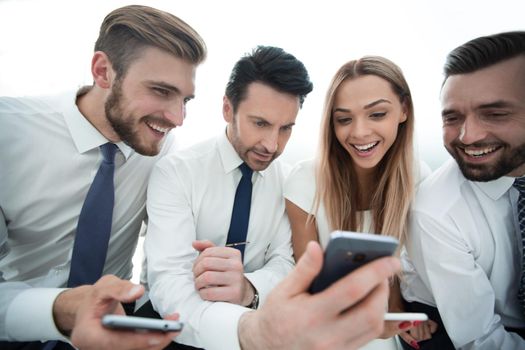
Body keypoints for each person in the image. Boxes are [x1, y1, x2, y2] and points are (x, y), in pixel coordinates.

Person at [0, 4, 206, 349]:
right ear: (103, 71)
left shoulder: (163, 152)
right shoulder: (9, 134)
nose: (177, 117)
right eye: (160, 91)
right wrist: (63, 309)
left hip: (118, 329)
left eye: (185, 99)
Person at [142, 45, 312, 349]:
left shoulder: (287, 182)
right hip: (175, 333)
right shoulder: (176, 173)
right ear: (227, 109)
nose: (272, 145)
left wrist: (249, 289)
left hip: (258, 322)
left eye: (286, 128)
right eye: (260, 123)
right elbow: (168, 281)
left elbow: (285, 264)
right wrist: (238, 331)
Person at [283, 56, 436, 349]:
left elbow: (407, 269)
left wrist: (398, 315)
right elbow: (308, 285)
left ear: (404, 110)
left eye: (377, 114)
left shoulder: (418, 177)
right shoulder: (304, 182)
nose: (359, 132)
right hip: (328, 327)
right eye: (344, 119)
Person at [401, 31, 525, 349]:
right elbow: (480, 339)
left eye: (495, 114)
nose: (467, 137)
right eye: (452, 118)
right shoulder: (434, 210)